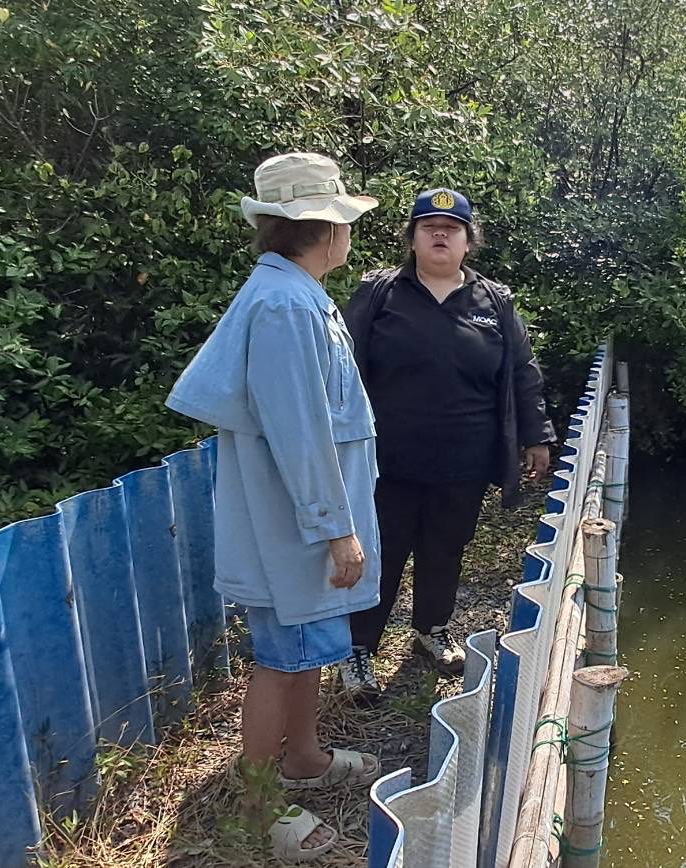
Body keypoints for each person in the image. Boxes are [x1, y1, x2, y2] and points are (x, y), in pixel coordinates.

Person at [165, 152, 382, 863]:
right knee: (281, 657)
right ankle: (259, 807)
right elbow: (300, 431)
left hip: (302, 520)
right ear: (326, 230)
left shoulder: (295, 293)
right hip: (294, 524)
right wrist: (336, 530)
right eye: (344, 221)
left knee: (305, 646)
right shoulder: (285, 306)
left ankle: (305, 758)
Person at [339, 187, 555, 699]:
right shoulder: (380, 293)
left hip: (464, 460)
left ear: (468, 242)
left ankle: (431, 630)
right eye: (429, 227)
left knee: (445, 549)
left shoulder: (494, 302)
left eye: (452, 229)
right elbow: (342, 369)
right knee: (383, 553)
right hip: (387, 461)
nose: (440, 234)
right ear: (412, 238)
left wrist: (537, 436)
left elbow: (522, 372)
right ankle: (358, 649)